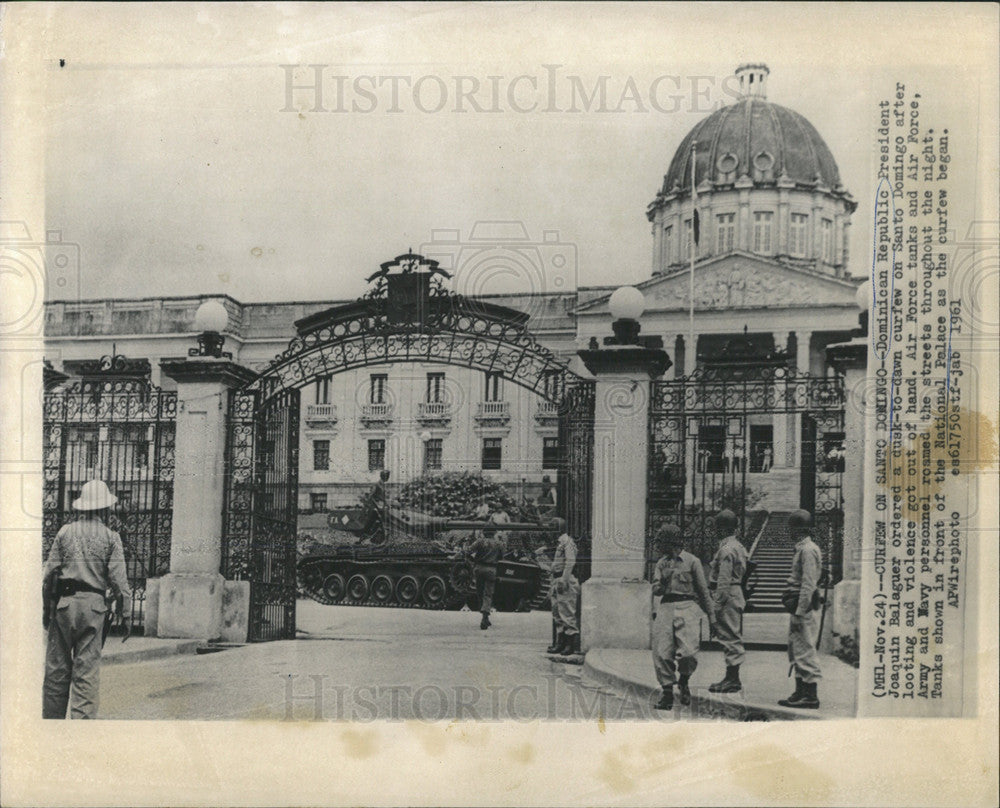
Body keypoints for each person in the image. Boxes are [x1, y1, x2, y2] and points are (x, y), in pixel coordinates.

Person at [42, 479, 131, 719]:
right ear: (104, 509)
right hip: (93, 609)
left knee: (56, 671)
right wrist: (126, 616)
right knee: (86, 673)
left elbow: (48, 574)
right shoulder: (111, 537)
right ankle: (82, 729)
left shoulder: (65, 532)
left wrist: (46, 612)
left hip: (64, 606)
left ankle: (51, 727)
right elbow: (120, 583)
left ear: (82, 507)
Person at [650, 523, 715, 710]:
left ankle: (684, 681)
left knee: (688, 652)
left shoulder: (692, 561)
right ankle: (667, 693)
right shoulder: (661, 563)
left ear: (670, 542)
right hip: (666, 607)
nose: (658, 545)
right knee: (662, 652)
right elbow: (656, 590)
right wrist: (663, 580)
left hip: (688, 607)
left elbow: (703, 591)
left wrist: (712, 618)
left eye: (661, 541)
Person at [778, 509, 823, 709]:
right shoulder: (803, 549)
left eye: (792, 528)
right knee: (796, 649)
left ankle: (810, 695)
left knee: (805, 649)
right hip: (798, 605)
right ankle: (800, 691)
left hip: (802, 607)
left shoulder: (807, 550)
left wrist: (800, 610)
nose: (789, 532)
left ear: (798, 530)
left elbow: (808, 584)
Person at [708, 510, 749, 693]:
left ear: (721, 529)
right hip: (736, 592)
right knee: (731, 635)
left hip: (728, 594)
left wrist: (716, 606)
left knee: (730, 637)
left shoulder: (726, 549)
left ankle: (732, 679)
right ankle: (731, 677)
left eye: (717, 528)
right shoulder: (737, 546)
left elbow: (723, 581)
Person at [542, 518, 580, 656]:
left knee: (567, 612)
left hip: (565, 580)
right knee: (557, 612)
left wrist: (564, 580)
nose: (549, 530)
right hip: (557, 579)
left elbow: (570, 562)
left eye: (552, 527)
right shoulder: (560, 543)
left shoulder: (567, 543)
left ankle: (570, 644)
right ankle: (560, 643)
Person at [466, 527, 505, 630]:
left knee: (479, 592)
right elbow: (501, 558)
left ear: (484, 532)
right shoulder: (499, 543)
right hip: (491, 570)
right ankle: (485, 617)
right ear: (494, 532)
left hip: (479, 568)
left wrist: (473, 560)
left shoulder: (480, 541)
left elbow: (468, 551)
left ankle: (484, 616)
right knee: (488, 594)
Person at [362, 470, 390, 541]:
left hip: (381, 506)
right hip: (376, 506)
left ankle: (380, 536)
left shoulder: (383, 485)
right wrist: (375, 506)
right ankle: (365, 536)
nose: (388, 477)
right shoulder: (377, 485)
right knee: (372, 521)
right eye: (387, 476)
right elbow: (371, 496)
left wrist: (386, 504)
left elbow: (382, 497)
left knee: (382, 521)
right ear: (383, 476)